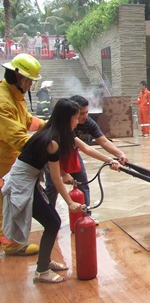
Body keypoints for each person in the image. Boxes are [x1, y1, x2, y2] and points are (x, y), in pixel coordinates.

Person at [2, 98, 121, 284]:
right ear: (67, 119)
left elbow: (87, 148)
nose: (78, 121)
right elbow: (56, 178)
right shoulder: (52, 141)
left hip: (30, 180)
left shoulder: (61, 133)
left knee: (52, 221)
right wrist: (70, 202)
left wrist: (110, 160)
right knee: (53, 222)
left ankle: (45, 262)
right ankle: (41, 271)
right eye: (75, 117)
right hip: (21, 183)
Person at [44, 95, 128, 223]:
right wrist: (64, 174)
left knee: (82, 182)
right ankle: (49, 220)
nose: (82, 118)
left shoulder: (81, 125)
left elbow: (93, 145)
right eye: (79, 115)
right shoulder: (57, 131)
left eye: (86, 113)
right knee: (52, 187)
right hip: (53, 158)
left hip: (71, 153)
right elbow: (53, 164)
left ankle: (85, 216)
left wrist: (116, 156)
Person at [0, 54, 45, 255]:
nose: (30, 85)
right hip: (2, 162)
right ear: (17, 76)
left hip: (6, 162)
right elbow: (18, 137)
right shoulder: (3, 102)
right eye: (29, 80)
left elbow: (26, 121)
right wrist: (48, 147)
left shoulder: (15, 96)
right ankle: (11, 244)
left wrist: (49, 126)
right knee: (4, 206)